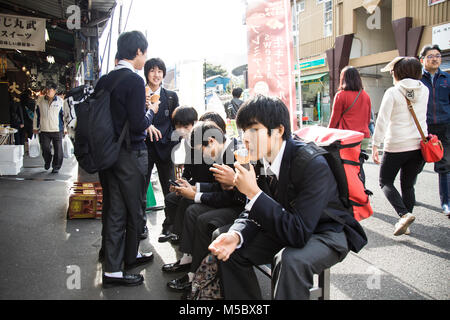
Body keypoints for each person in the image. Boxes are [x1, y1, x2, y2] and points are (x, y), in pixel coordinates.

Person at [207, 95, 367, 300]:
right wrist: (236, 235)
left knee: (290, 260)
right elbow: (252, 211)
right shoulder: (260, 160)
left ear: (279, 130)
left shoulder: (311, 164)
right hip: (287, 224)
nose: (246, 137)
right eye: (243, 130)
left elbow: (298, 232)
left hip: (326, 232)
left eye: (254, 130)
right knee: (229, 247)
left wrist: (253, 193)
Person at [94, 30, 158, 288]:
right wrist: (151, 110)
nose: (145, 59)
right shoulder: (132, 81)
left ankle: (124, 257)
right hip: (129, 155)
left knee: (114, 207)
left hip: (107, 153)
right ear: (139, 52)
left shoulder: (105, 80)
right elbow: (137, 124)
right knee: (127, 209)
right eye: (145, 53)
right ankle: (113, 270)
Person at [164, 121, 244, 293]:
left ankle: (196, 275)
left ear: (212, 141)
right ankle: (192, 266)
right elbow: (219, 188)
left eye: (203, 151)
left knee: (199, 215)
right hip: (233, 202)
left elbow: (228, 197)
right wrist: (195, 188)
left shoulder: (234, 154)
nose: (204, 157)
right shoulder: (224, 152)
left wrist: (196, 195)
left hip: (240, 208)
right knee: (193, 210)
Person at [372, 57, 429, 236]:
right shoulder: (425, 90)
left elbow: (382, 121)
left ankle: (404, 215)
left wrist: (375, 144)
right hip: (418, 146)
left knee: (385, 181)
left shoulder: (393, 92)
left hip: (396, 145)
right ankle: (407, 222)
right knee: (408, 185)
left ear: (398, 72)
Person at [142, 58, 180, 239]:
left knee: (170, 189)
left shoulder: (171, 96)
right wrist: (145, 126)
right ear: (146, 73)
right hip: (143, 148)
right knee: (140, 189)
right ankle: (140, 225)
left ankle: (170, 225)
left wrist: (173, 143)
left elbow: (177, 124)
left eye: (159, 71)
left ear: (163, 74)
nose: (156, 74)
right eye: (152, 70)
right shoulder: (138, 94)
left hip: (166, 149)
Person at [159, 106, 201, 243]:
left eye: (185, 126)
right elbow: (188, 169)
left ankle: (182, 236)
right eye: (178, 126)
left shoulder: (203, 139)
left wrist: (193, 187)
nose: (181, 130)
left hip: (203, 187)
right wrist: (182, 181)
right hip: (194, 184)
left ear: (195, 123)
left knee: (184, 200)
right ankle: (176, 231)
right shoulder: (187, 141)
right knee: (170, 198)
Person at [419, 44, 450, 216]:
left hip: (445, 127)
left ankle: (446, 202)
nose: (435, 58)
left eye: (437, 55)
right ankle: (410, 194)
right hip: (423, 127)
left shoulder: (447, 78)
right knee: (416, 163)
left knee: (445, 164)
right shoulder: (417, 80)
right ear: (422, 59)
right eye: (430, 56)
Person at [328, 66, 372, 151]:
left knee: (346, 164)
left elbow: (334, 119)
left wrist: (328, 133)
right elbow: (367, 119)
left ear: (343, 78)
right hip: (363, 137)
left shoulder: (341, 95)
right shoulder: (366, 95)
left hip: (347, 137)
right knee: (359, 163)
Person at [33, 82, 66, 173]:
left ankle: (56, 166)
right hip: (44, 130)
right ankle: (47, 161)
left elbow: (64, 116)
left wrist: (66, 129)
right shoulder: (40, 100)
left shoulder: (60, 101)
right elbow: (36, 115)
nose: (47, 91)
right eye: (46, 89)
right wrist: (35, 127)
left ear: (55, 91)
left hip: (57, 130)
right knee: (45, 148)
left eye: (50, 89)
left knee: (58, 150)